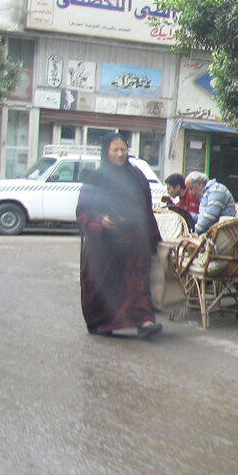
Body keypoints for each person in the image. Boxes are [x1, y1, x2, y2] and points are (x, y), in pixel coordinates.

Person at [76, 132, 163, 339]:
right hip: (104, 244)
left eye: (123, 149)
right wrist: (100, 220)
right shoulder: (95, 178)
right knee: (104, 285)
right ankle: (102, 322)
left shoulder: (137, 177)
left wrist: (153, 238)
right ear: (106, 152)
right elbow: (83, 211)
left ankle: (144, 322)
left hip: (134, 241)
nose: (120, 154)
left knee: (137, 284)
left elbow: (146, 208)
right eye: (115, 149)